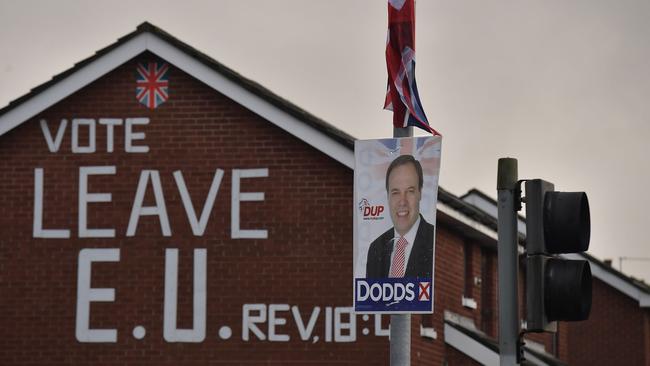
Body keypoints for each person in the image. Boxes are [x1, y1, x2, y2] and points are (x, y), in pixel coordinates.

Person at [365, 154, 434, 279]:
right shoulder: (376, 249)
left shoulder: (434, 241)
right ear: (388, 197)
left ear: (420, 193)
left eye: (410, 191)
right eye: (395, 193)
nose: (402, 201)